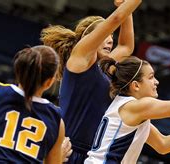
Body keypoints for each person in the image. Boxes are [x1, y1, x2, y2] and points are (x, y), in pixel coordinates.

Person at [41, 0, 141, 162]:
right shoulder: (80, 59)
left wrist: (125, 8)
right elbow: (115, 19)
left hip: (92, 153)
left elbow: (126, 46)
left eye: (111, 37)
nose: (110, 40)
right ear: (90, 38)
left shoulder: (103, 68)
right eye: (106, 35)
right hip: (67, 149)